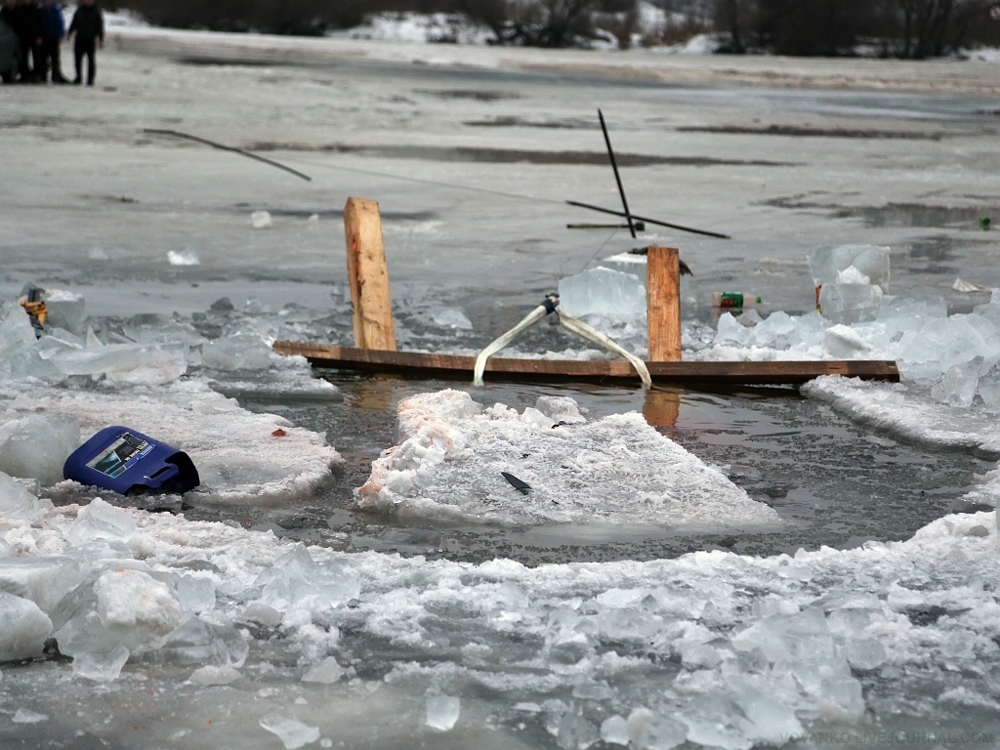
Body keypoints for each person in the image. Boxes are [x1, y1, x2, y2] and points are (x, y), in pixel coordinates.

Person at [66, 0, 102, 86]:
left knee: (91, 60)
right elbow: (74, 22)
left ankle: (90, 79)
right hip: (79, 38)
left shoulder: (96, 12)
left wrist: (101, 39)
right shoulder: (79, 10)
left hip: (90, 39)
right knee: (78, 60)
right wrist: (69, 33)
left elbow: (99, 26)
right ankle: (78, 77)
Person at [10, 0, 42, 82]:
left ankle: (36, 75)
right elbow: (15, 23)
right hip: (22, 37)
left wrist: (40, 36)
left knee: (37, 57)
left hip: (34, 36)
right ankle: (25, 75)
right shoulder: (19, 9)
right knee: (23, 57)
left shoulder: (36, 9)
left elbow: (40, 23)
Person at [37, 0, 67, 83]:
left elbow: (60, 23)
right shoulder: (41, 10)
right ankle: (43, 76)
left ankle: (56, 76)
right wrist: (38, 35)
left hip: (54, 38)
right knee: (43, 59)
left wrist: (61, 35)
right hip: (44, 38)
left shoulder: (56, 10)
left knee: (55, 59)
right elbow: (38, 23)